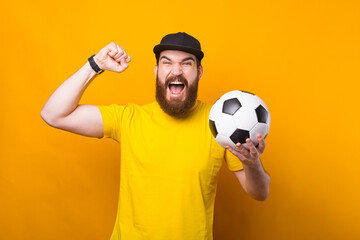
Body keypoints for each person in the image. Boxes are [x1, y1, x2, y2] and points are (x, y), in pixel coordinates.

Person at [41, 32, 271, 240]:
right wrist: (96, 65)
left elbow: (261, 193)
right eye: (167, 62)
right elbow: (53, 114)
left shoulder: (221, 124)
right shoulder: (128, 119)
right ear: (156, 71)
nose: (176, 71)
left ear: (199, 72)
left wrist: (253, 164)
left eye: (186, 63)